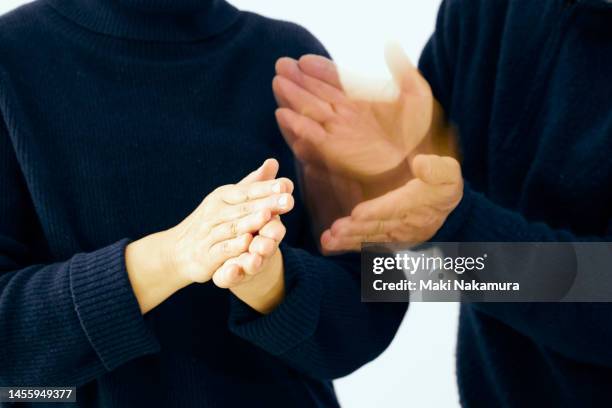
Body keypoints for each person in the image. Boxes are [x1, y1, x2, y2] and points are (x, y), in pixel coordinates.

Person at [0, 0, 406, 407]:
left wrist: (272, 286)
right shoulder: (12, 56)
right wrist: (172, 258)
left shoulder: (289, 56)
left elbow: (377, 295)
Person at [273, 0, 612, 406]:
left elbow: (448, 256)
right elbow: (413, 272)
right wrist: (384, 187)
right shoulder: (486, 13)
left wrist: (457, 228)